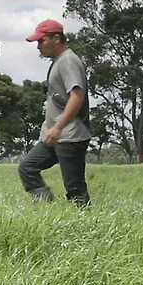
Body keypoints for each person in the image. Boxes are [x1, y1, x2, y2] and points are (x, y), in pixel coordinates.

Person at [18, 19, 92, 206]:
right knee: (27, 167)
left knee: (75, 189)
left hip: (70, 136)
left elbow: (77, 96)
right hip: (54, 136)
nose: (38, 47)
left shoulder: (68, 61)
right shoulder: (58, 62)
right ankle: (46, 209)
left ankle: (87, 225)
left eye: (41, 41)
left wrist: (58, 127)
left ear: (56, 38)